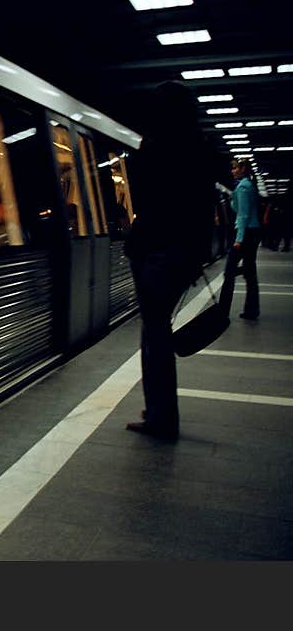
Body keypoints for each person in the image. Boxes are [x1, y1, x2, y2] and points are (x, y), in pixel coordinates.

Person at [122, 81, 216, 441]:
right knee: (157, 330)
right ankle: (159, 409)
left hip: (154, 250)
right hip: (179, 254)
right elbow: (202, 209)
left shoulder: (156, 145)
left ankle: (161, 416)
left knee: (155, 333)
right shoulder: (201, 149)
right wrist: (196, 256)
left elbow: (144, 199)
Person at [218, 159, 260, 320]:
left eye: (235, 168)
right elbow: (241, 209)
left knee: (229, 272)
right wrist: (232, 195)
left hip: (245, 234)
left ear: (242, 168)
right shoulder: (249, 185)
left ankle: (223, 310)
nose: (232, 171)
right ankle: (252, 310)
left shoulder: (243, 187)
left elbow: (242, 215)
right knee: (250, 273)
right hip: (254, 232)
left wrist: (239, 239)